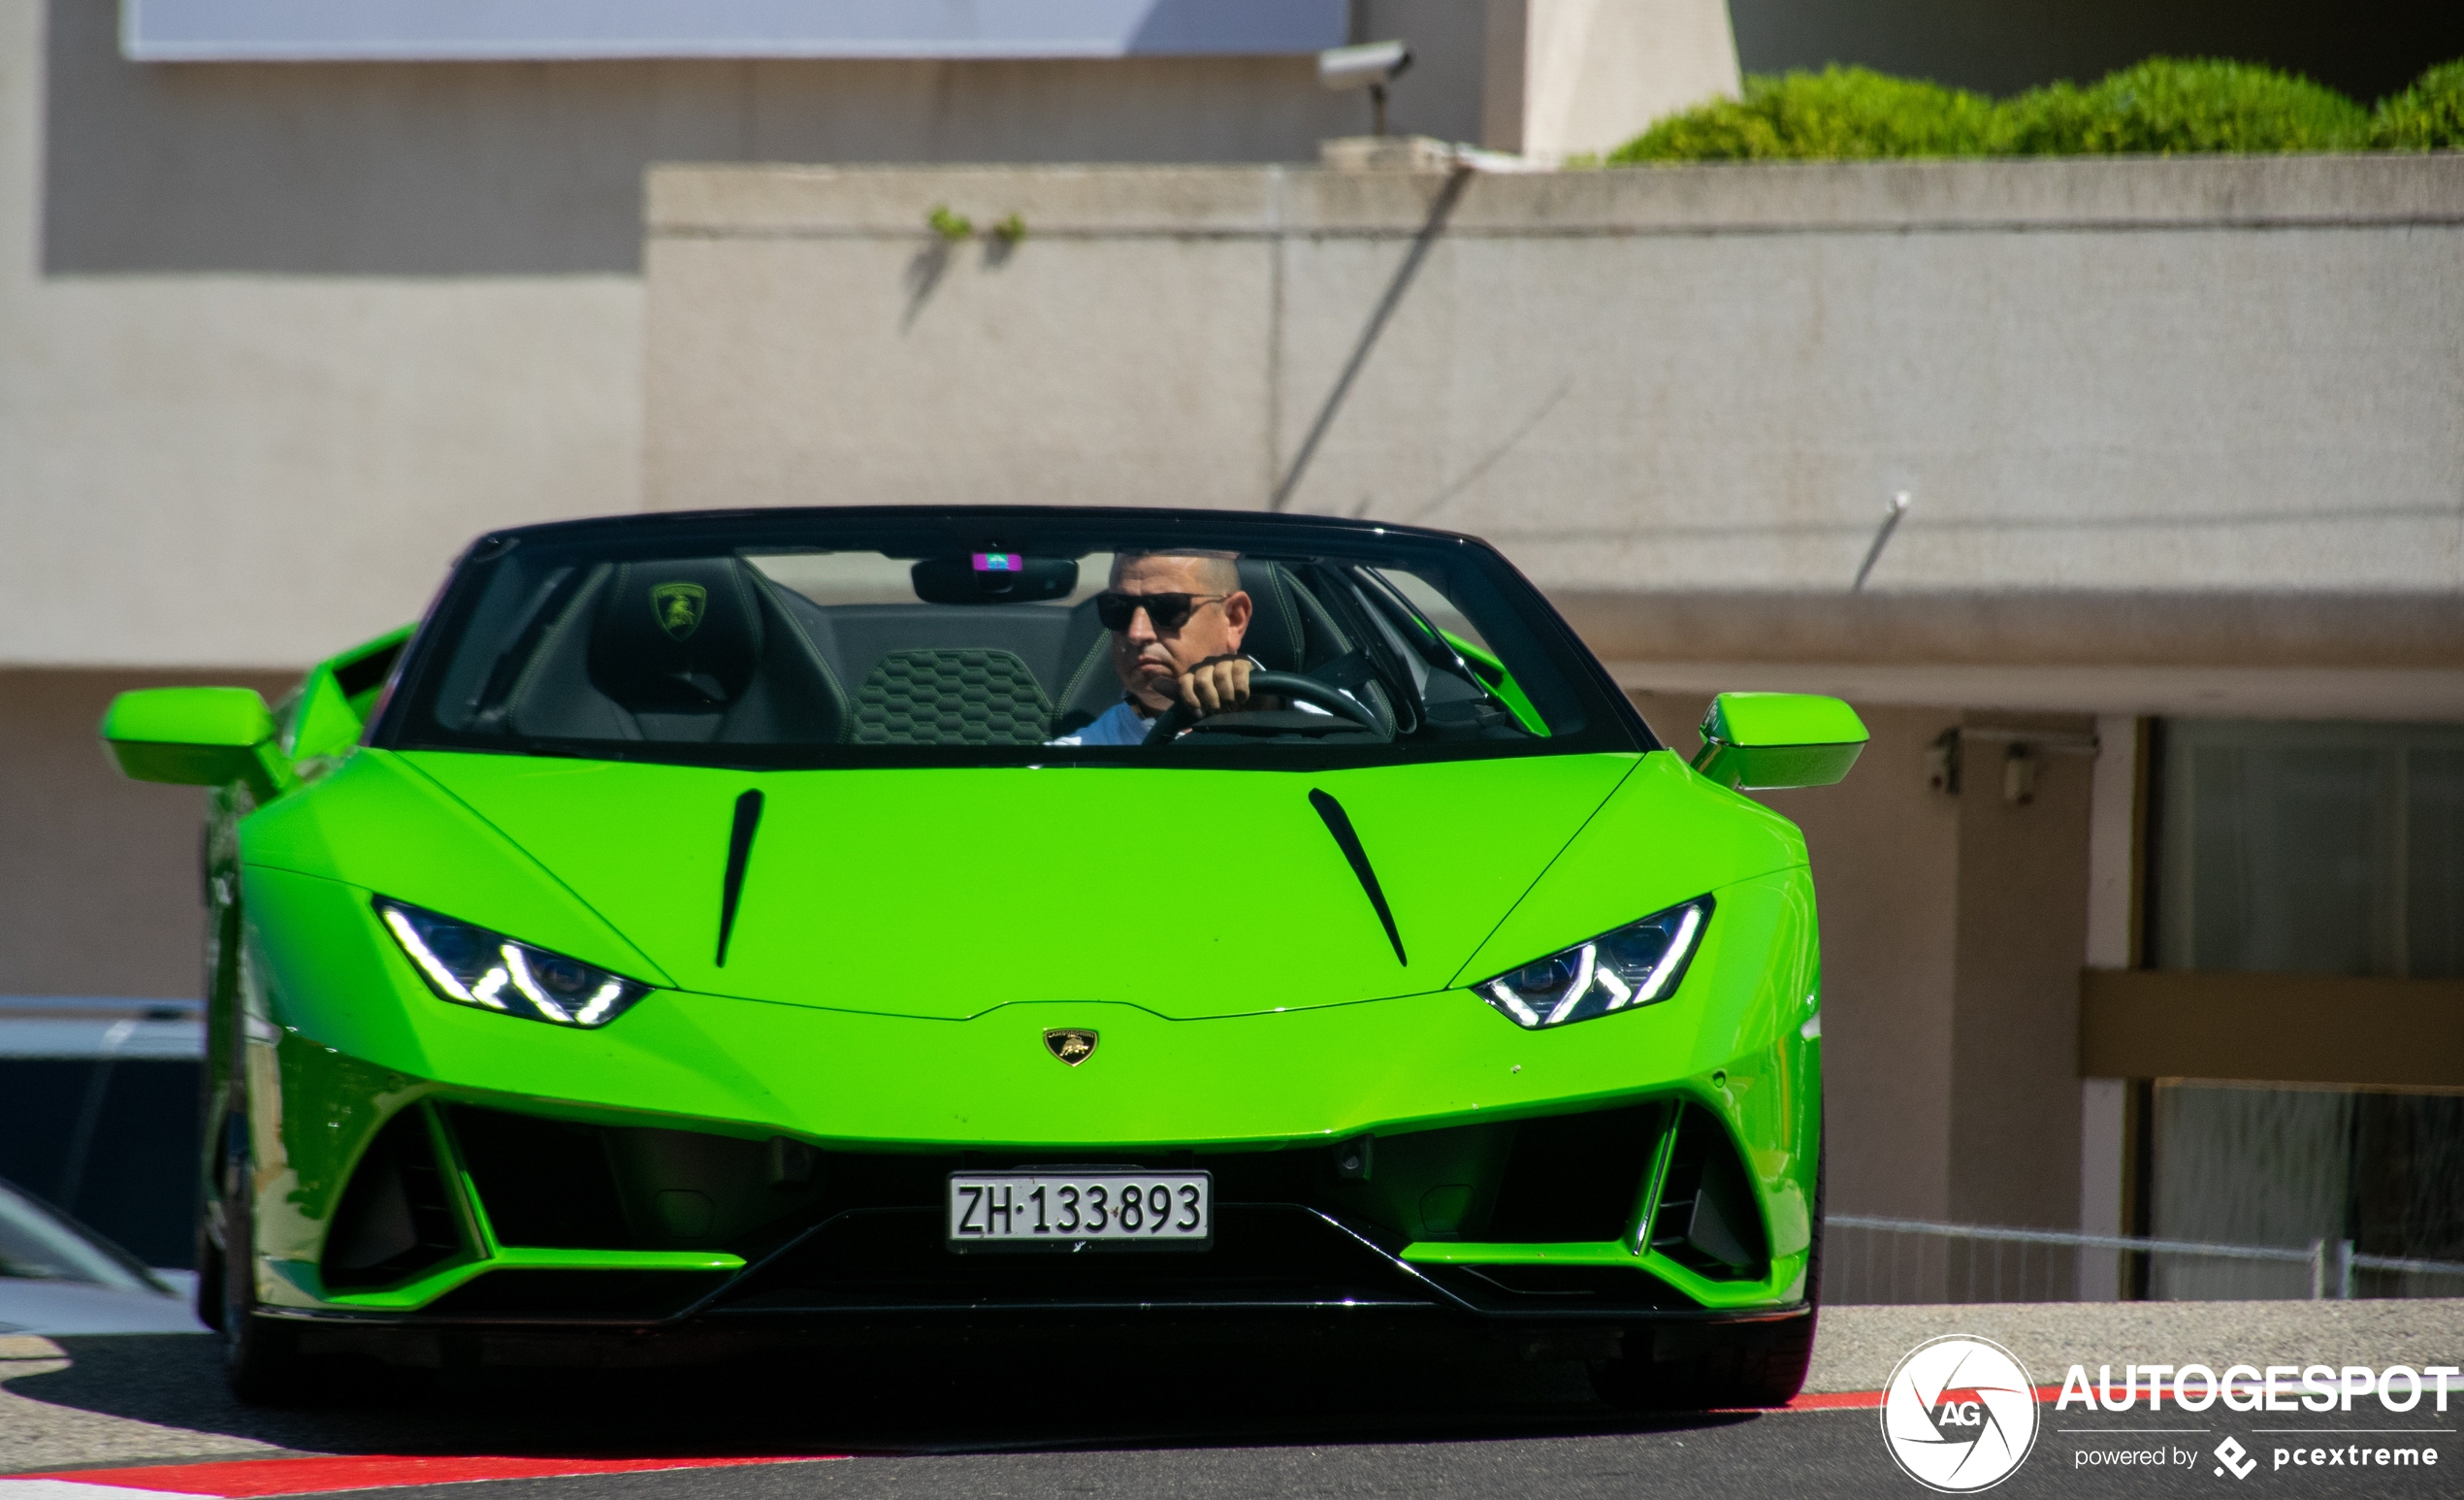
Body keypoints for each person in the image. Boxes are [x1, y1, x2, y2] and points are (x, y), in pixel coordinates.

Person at [1049, 551, 1291, 747]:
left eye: (1167, 607)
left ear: (1234, 618)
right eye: (1119, 608)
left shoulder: (1322, 731)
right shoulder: (1067, 767)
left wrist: (1273, 714)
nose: (1137, 632)